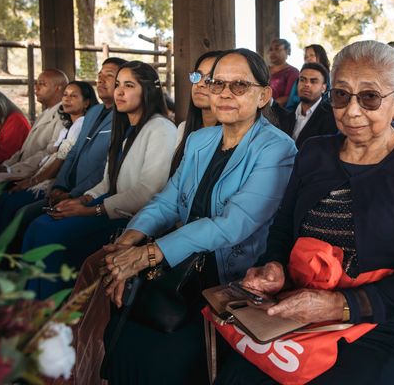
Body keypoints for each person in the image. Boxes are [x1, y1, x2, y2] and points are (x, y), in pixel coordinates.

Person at [217, 40, 394, 384]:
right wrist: (275, 268)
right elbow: (284, 229)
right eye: (342, 96)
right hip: (303, 311)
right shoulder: (315, 152)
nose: (352, 111)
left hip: (391, 326)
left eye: (370, 97)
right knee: (237, 378)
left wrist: (336, 305)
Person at [99, 48, 297, 383]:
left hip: (232, 282)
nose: (223, 94)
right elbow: (169, 200)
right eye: (217, 83)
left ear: (264, 95)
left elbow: (233, 224)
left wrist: (149, 253)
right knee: (122, 333)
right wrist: (131, 238)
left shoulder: (276, 149)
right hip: (182, 268)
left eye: (239, 86)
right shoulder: (199, 141)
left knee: (166, 360)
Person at [22, 61, 177, 299]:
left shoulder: (161, 128)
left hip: (132, 218)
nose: (119, 92)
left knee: (48, 235)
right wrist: (83, 200)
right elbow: (107, 181)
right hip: (109, 204)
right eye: (118, 85)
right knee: (38, 225)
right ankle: (31, 302)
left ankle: (53, 309)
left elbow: (148, 191)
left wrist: (90, 211)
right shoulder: (126, 128)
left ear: (148, 90)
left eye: (129, 85)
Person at [0, 81, 98, 241]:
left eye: (74, 96)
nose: (67, 99)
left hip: (53, 181)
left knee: (11, 203)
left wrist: (32, 181)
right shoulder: (67, 127)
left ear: (86, 103)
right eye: (65, 95)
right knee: (5, 198)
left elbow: (60, 161)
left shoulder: (82, 124)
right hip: (43, 175)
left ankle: (6, 255)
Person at [0, 69, 68, 219]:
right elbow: (22, 151)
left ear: (59, 87)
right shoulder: (45, 113)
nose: (36, 88)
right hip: (20, 164)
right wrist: (6, 165)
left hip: (34, 170)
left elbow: (48, 154)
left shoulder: (63, 116)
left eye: (42, 84)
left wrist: (10, 168)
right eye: (36, 83)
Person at [174, 50, 222, 158]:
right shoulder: (183, 128)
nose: (200, 84)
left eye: (210, 79)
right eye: (197, 76)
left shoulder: (233, 135)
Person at [278, 62, 337, 150]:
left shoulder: (331, 118)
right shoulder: (285, 115)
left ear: (323, 88)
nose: (307, 84)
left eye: (313, 81)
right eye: (302, 80)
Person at [286, 44, 331, 112]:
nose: (308, 58)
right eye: (306, 56)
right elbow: (291, 103)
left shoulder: (330, 78)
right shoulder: (299, 79)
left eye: (312, 55)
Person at [268, 38, 299, 107]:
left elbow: (289, 98)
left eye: (277, 49)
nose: (273, 52)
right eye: (271, 49)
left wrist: (269, 106)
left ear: (288, 51)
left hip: (279, 112)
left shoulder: (292, 72)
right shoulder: (264, 70)